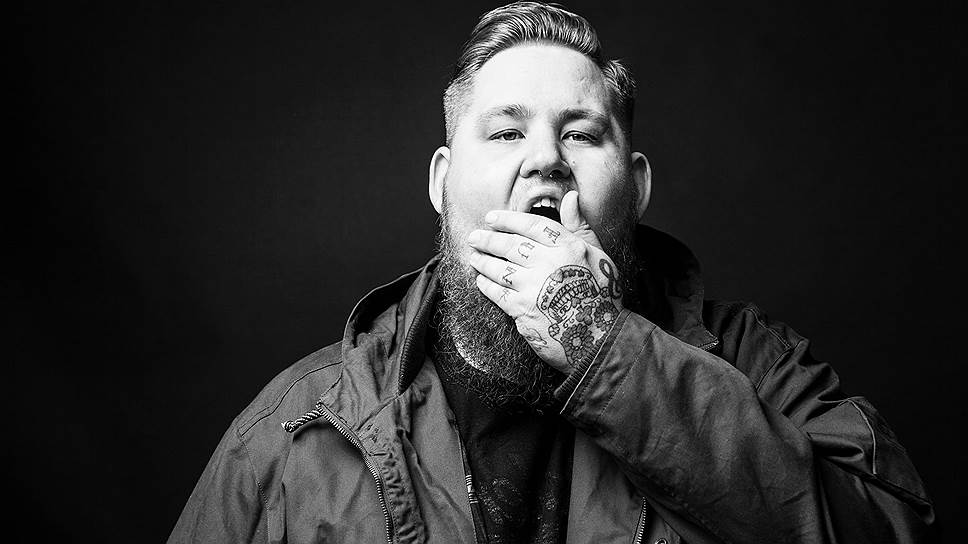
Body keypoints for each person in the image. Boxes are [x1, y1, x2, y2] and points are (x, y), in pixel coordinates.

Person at [168, 2, 935, 543]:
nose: (545, 159)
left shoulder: (758, 366)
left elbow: (889, 528)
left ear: (636, 187)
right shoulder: (296, 431)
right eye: (506, 132)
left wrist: (600, 339)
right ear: (442, 181)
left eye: (581, 134)